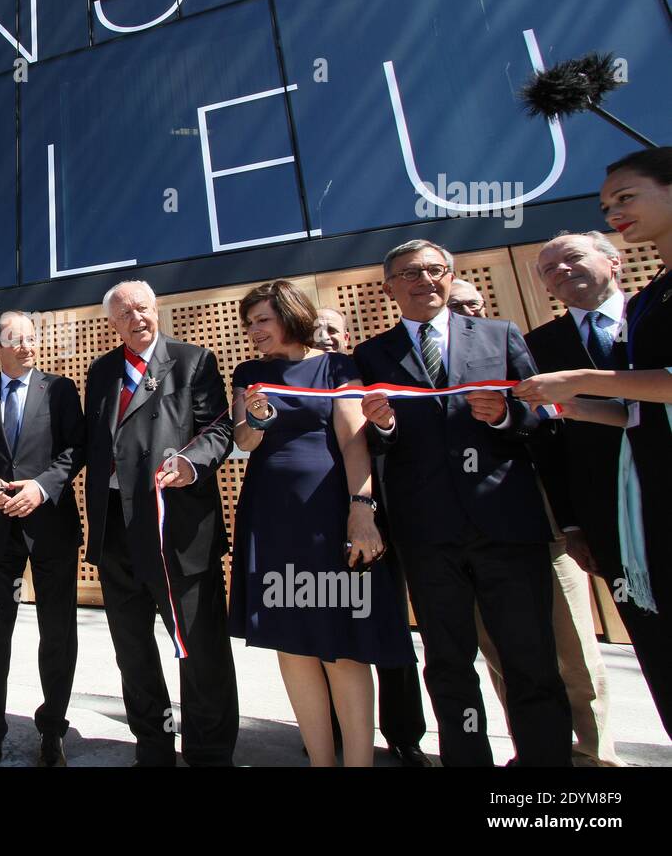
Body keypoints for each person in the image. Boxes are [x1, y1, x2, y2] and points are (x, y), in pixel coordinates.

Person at [353, 240, 571, 766]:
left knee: (531, 661)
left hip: (506, 525)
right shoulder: (372, 354)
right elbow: (375, 446)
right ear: (389, 288)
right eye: (409, 273)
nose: (424, 280)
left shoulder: (500, 335)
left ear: (450, 277)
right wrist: (384, 426)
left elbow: (545, 420)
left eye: (434, 270)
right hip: (428, 535)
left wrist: (503, 416)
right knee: (449, 665)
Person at [514, 148, 672, 738]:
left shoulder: (649, 307)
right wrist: (574, 406)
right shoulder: (540, 342)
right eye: (547, 270)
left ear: (610, 261)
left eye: (626, 198)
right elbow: (629, 415)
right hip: (622, 519)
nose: (559, 274)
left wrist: (580, 383)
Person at [232, 283, 412, 767]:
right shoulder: (249, 372)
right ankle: (320, 761)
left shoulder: (337, 366)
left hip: (329, 515)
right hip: (271, 519)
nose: (254, 331)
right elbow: (244, 442)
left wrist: (362, 509)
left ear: (290, 315)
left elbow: (355, 440)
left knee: (344, 645)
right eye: (249, 323)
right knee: (291, 643)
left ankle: (359, 762)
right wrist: (257, 418)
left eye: (262, 320)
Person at [451, 273, 622, 764]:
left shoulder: (515, 353)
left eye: (472, 305)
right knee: (503, 652)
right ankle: (536, 749)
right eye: (455, 309)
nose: (465, 315)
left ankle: (594, 754)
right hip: (476, 536)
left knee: (572, 649)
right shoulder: (433, 368)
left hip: (541, 524)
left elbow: (551, 429)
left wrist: (570, 523)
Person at [83, 280, 238, 766]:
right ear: (113, 322)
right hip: (117, 534)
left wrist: (191, 463)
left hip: (178, 531)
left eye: (143, 308)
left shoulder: (194, 362)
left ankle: (208, 751)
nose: (137, 318)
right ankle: (153, 746)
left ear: (157, 308)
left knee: (200, 650)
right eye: (125, 312)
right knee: (133, 651)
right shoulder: (102, 371)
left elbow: (218, 428)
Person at [0, 310, 86, 766]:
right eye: (16, 339)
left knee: (58, 632)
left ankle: (52, 732)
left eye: (32, 338)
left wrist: (42, 487)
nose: (27, 346)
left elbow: (75, 449)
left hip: (51, 529)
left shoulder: (61, 390)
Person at [313, 306, 430, 767]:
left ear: (349, 335)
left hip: (384, 520)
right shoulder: (298, 379)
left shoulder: (366, 372)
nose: (324, 336)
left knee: (387, 630)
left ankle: (404, 735)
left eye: (333, 330)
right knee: (328, 630)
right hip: (324, 524)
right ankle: (334, 729)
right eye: (316, 329)